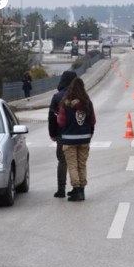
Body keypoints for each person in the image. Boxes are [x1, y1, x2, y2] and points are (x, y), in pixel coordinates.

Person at [57, 77, 96, 202]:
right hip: (85, 139)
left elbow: (61, 122)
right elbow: (92, 121)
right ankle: (81, 190)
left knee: (72, 166)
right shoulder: (87, 103)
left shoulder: (66, 103)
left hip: (69, 139)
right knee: (82, 165)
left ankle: (77, 190)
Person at [48, 70, 78, 198]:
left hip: (62, 134)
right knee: (76, 162)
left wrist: (53, 133)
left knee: (62, 161)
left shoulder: (57, 97)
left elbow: (52, 117)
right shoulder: (81, 96)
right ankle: (77, 189)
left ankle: (61, 189)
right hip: (78, 134)